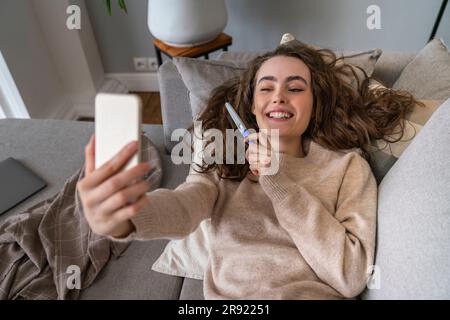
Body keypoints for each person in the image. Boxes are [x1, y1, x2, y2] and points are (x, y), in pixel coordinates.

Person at [77, 44, 421, 299]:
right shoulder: (225, 157)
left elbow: (349, 275)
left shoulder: (347, 166)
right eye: (266, 87)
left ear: (315, 104)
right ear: (252, 107)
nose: (279, 96)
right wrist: (126, 218)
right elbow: (185, 207)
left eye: (296, 88)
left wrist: (279, 184)